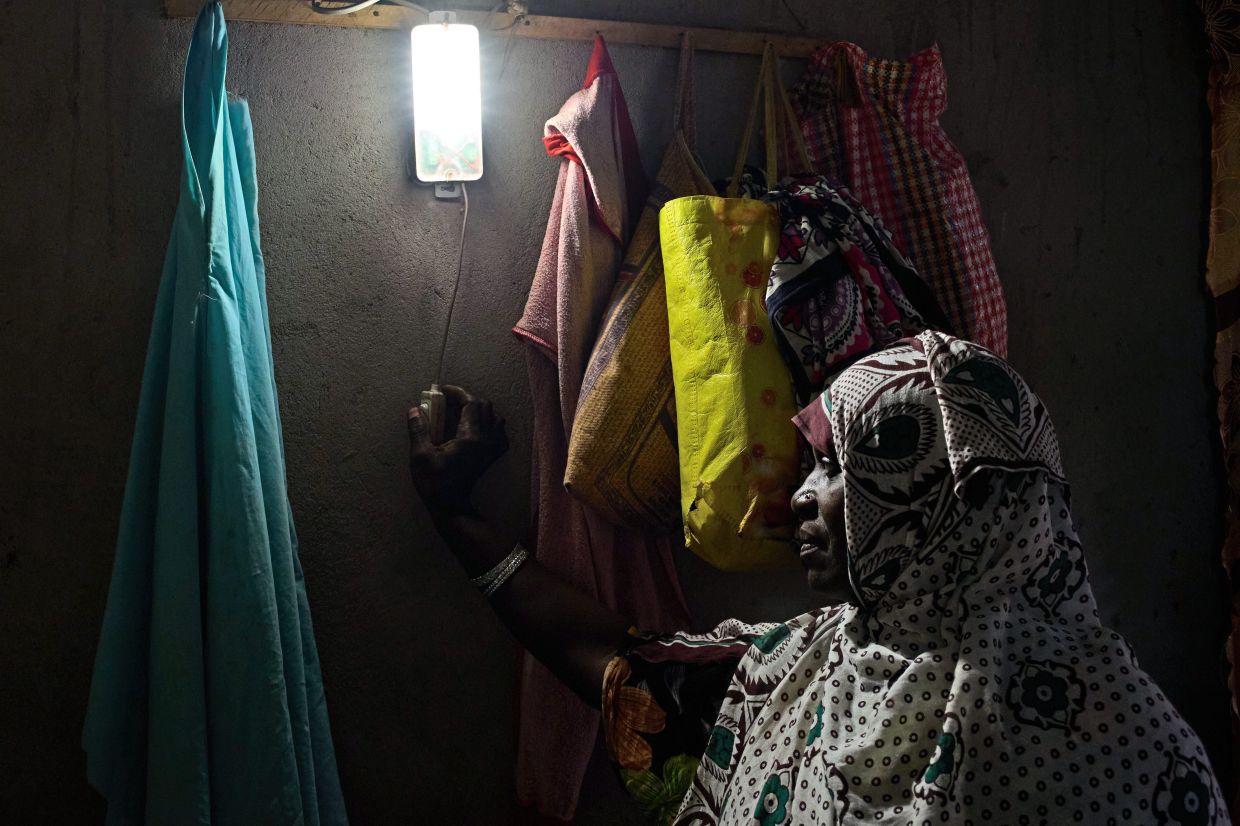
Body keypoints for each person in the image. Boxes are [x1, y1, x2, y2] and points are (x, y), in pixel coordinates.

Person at [407, 331, 1229, 825]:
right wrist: (460, 520)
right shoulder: (818, 666)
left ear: (933, 495)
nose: (801, 496)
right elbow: (633, 672)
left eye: (838, 469)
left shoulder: (1119, 747)